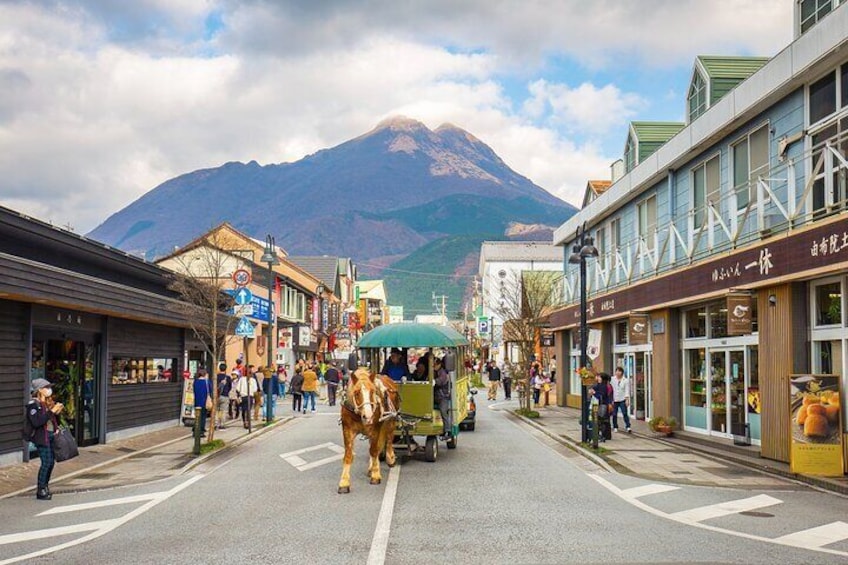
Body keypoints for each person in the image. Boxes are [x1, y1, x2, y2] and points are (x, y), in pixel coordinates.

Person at [26, 378, 64, 500]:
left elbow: (51, 420)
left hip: (51, 435)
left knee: (51, 463)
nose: (49, 390)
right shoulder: (33, 405)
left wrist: (56, 413)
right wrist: (51, 411)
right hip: (42, 438)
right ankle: (40, 489)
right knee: (46, 462)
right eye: (46, 387)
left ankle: (45, 486)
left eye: (49, 387)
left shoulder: (46, 403)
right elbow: (37, 422)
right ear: (39, 390)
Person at [590, 372, 614, 442]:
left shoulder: (604, 386)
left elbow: (602, 395)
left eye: (599, 377)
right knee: (601, 420)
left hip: (602, 405)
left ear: (602, 378)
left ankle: (603, 435)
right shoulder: (599, 385)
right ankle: (603, 435)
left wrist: (594, 393)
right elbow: (594, 389)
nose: (598, 378)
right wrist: (592, 391)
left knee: (602, 421)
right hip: (598, 404)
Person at [433, 357, 452, 441]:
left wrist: (434, 381)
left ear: (439, 364)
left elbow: (441, 381)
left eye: (435, 365)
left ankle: (448, 431)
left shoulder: (443, 372)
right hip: (435, 396)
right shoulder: (434, 372)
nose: (433, 366)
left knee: (444, 412)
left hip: (443, 397)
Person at [611, 366, 632, 433]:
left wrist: (627, 399)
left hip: (622, 399)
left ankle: (628, 426)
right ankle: (615, 426)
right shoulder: (612, 379)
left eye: (619, 371)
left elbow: (627, 390)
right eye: (616, 371)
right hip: (614, 399)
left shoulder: (625, 380)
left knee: (624, 413)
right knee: (614, 414)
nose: (617, 372)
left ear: (622, 372)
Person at [192, 369, 210, 437]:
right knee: (202, 417)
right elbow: (210, 391)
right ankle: (201, 431)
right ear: (205, 374)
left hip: (197, 401)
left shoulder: (195, 382)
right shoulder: (207, 382)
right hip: (204, 402)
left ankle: (195, 430)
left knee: (197, 417)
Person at [215, 363, 231, 429]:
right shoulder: (228, 377)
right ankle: (222, 424)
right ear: (225, 369)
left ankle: (216, 423)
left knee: (216, 410)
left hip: (216, 395)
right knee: (223, 410)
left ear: (219, 368)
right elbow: (230, 387)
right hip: (225, 395)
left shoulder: (216, 377)